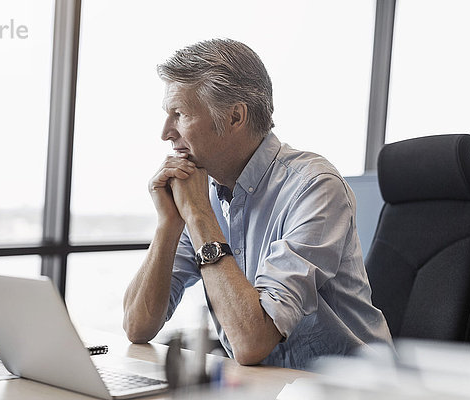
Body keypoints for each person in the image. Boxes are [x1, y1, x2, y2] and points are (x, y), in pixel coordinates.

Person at [122, 38, 392, 370]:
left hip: (353, 390)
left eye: (179, 114)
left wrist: (197, 215)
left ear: (235, 117)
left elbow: (251, 343)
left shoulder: (315, 187)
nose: (165, 133)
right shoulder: (200, 192)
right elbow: (137, 326)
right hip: (269, 388)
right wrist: (169, 223)